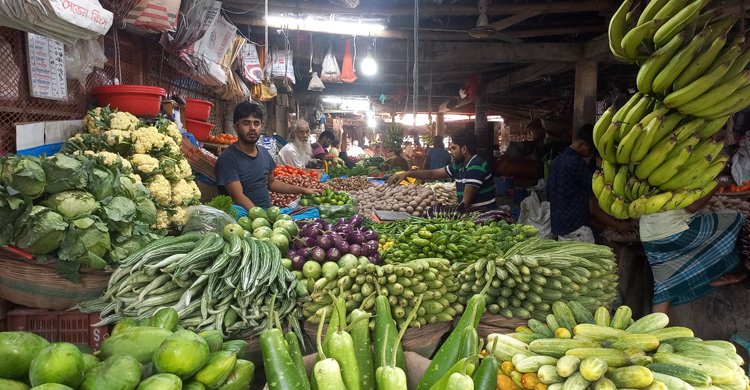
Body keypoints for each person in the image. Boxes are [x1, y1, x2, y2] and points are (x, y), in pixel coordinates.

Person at [641, 189, 747, 314]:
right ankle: (715, 272)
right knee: (735, 220)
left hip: (648, 236)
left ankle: (654, 329)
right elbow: (692, 207)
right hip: (675, 234)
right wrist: (716, 183)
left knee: (663, 283)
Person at [215, 102, 320, 210]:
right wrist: (263, 217)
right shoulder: (227, 159)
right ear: (236, 127)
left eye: (256, 123)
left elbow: (272, 183)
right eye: (246, 123)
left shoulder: (264, 153)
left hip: (265, 216)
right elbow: (237, 196)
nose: (252, 128)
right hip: (243, 220)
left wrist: (302, 190)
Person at [548, 124, 630, 243]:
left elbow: (549, 194)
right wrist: (599, 166)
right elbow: (596, 190)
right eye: (590, 150)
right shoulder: (576, 163)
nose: (590, 154)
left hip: (560, 228)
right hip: (576, 228)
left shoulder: (556, 162)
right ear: (581, 144)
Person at [387, 129, 496, 211]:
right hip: (471, 213)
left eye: (453, 148)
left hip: (483, 216)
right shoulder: (459, 165)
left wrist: (444, 214)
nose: (450, 152)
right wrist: (407, 174)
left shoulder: (475, 165)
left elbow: (465, 203)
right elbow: (432, 174)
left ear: (464, 149)